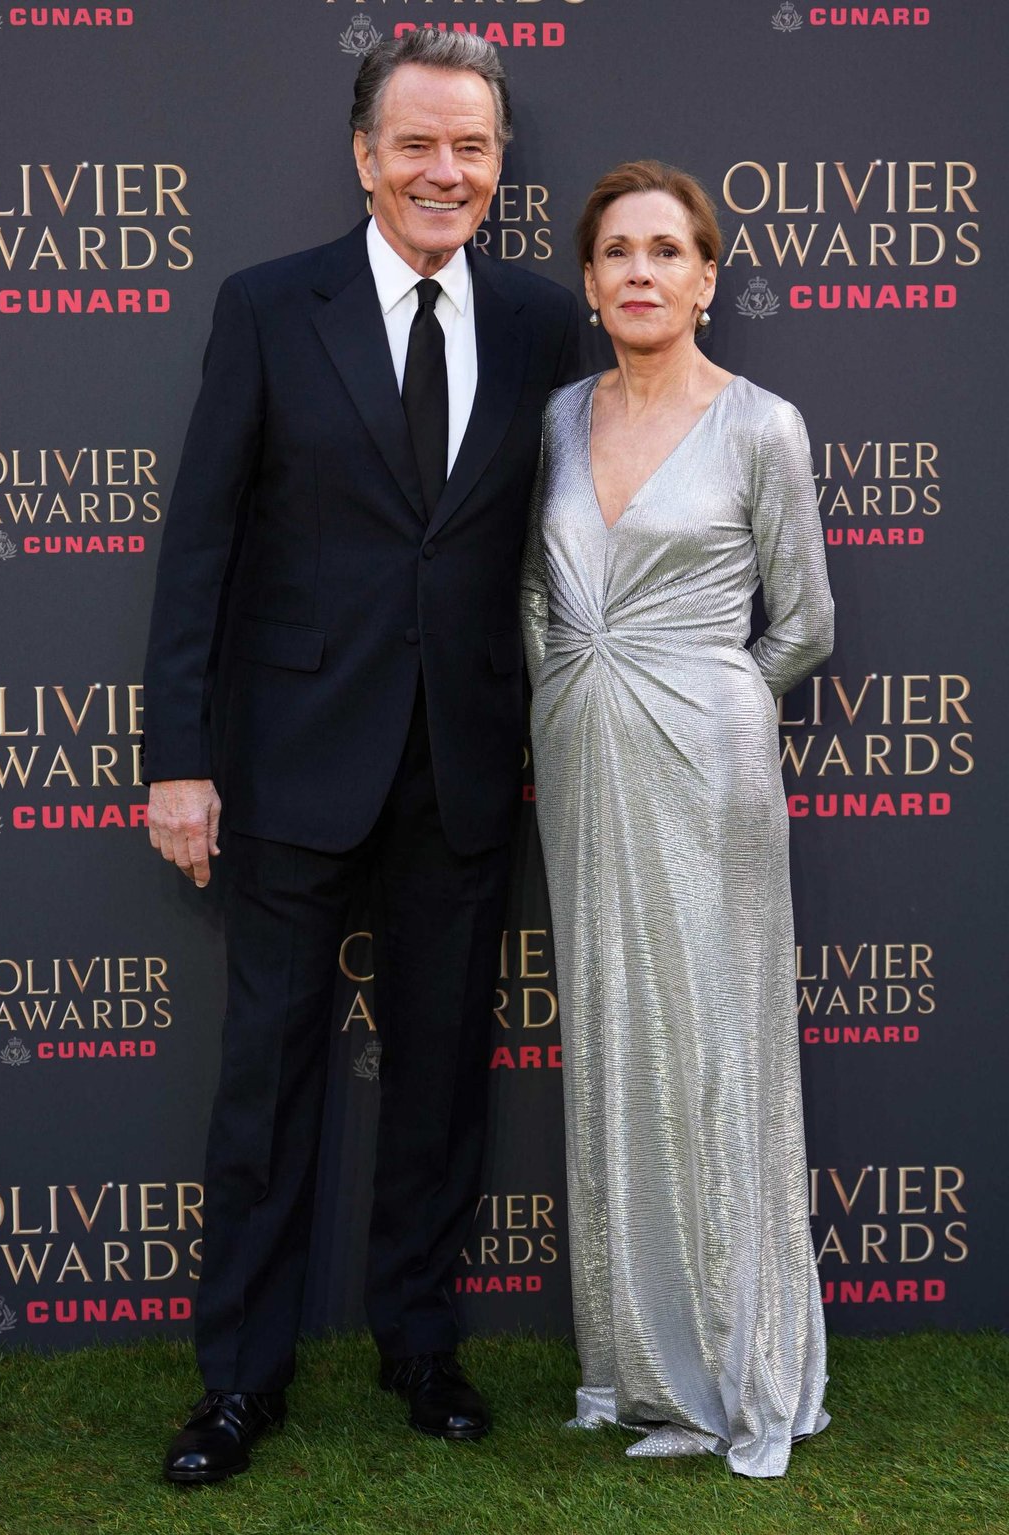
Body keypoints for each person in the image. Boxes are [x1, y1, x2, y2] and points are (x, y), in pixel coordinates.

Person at [143, 31, 579, 1485]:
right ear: (363, 155)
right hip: (288, 766)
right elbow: (200, 542)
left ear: (500, 163)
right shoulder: (268, 308)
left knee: (446, 1079)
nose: (444, 171)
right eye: (416, 145)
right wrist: (179, 755)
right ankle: (238, 1384)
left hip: (464, 762)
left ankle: (421, 1344)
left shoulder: (540, 323)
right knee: (266, 1086)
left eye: (472, 147)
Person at [520, 160, 832, 1478]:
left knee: (717, 1048)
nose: (640, 271)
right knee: (613, 1041)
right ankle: (646, 1371)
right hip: (582, 762)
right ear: (589, 287)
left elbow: (806, 625)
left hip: (709, 766)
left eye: (667, 250)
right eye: (615, 254)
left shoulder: (764, 426)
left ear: (707, 278)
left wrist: (711, 699)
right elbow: (537, 596)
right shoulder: (554, 419)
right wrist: (568, 684)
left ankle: (743, 1372)